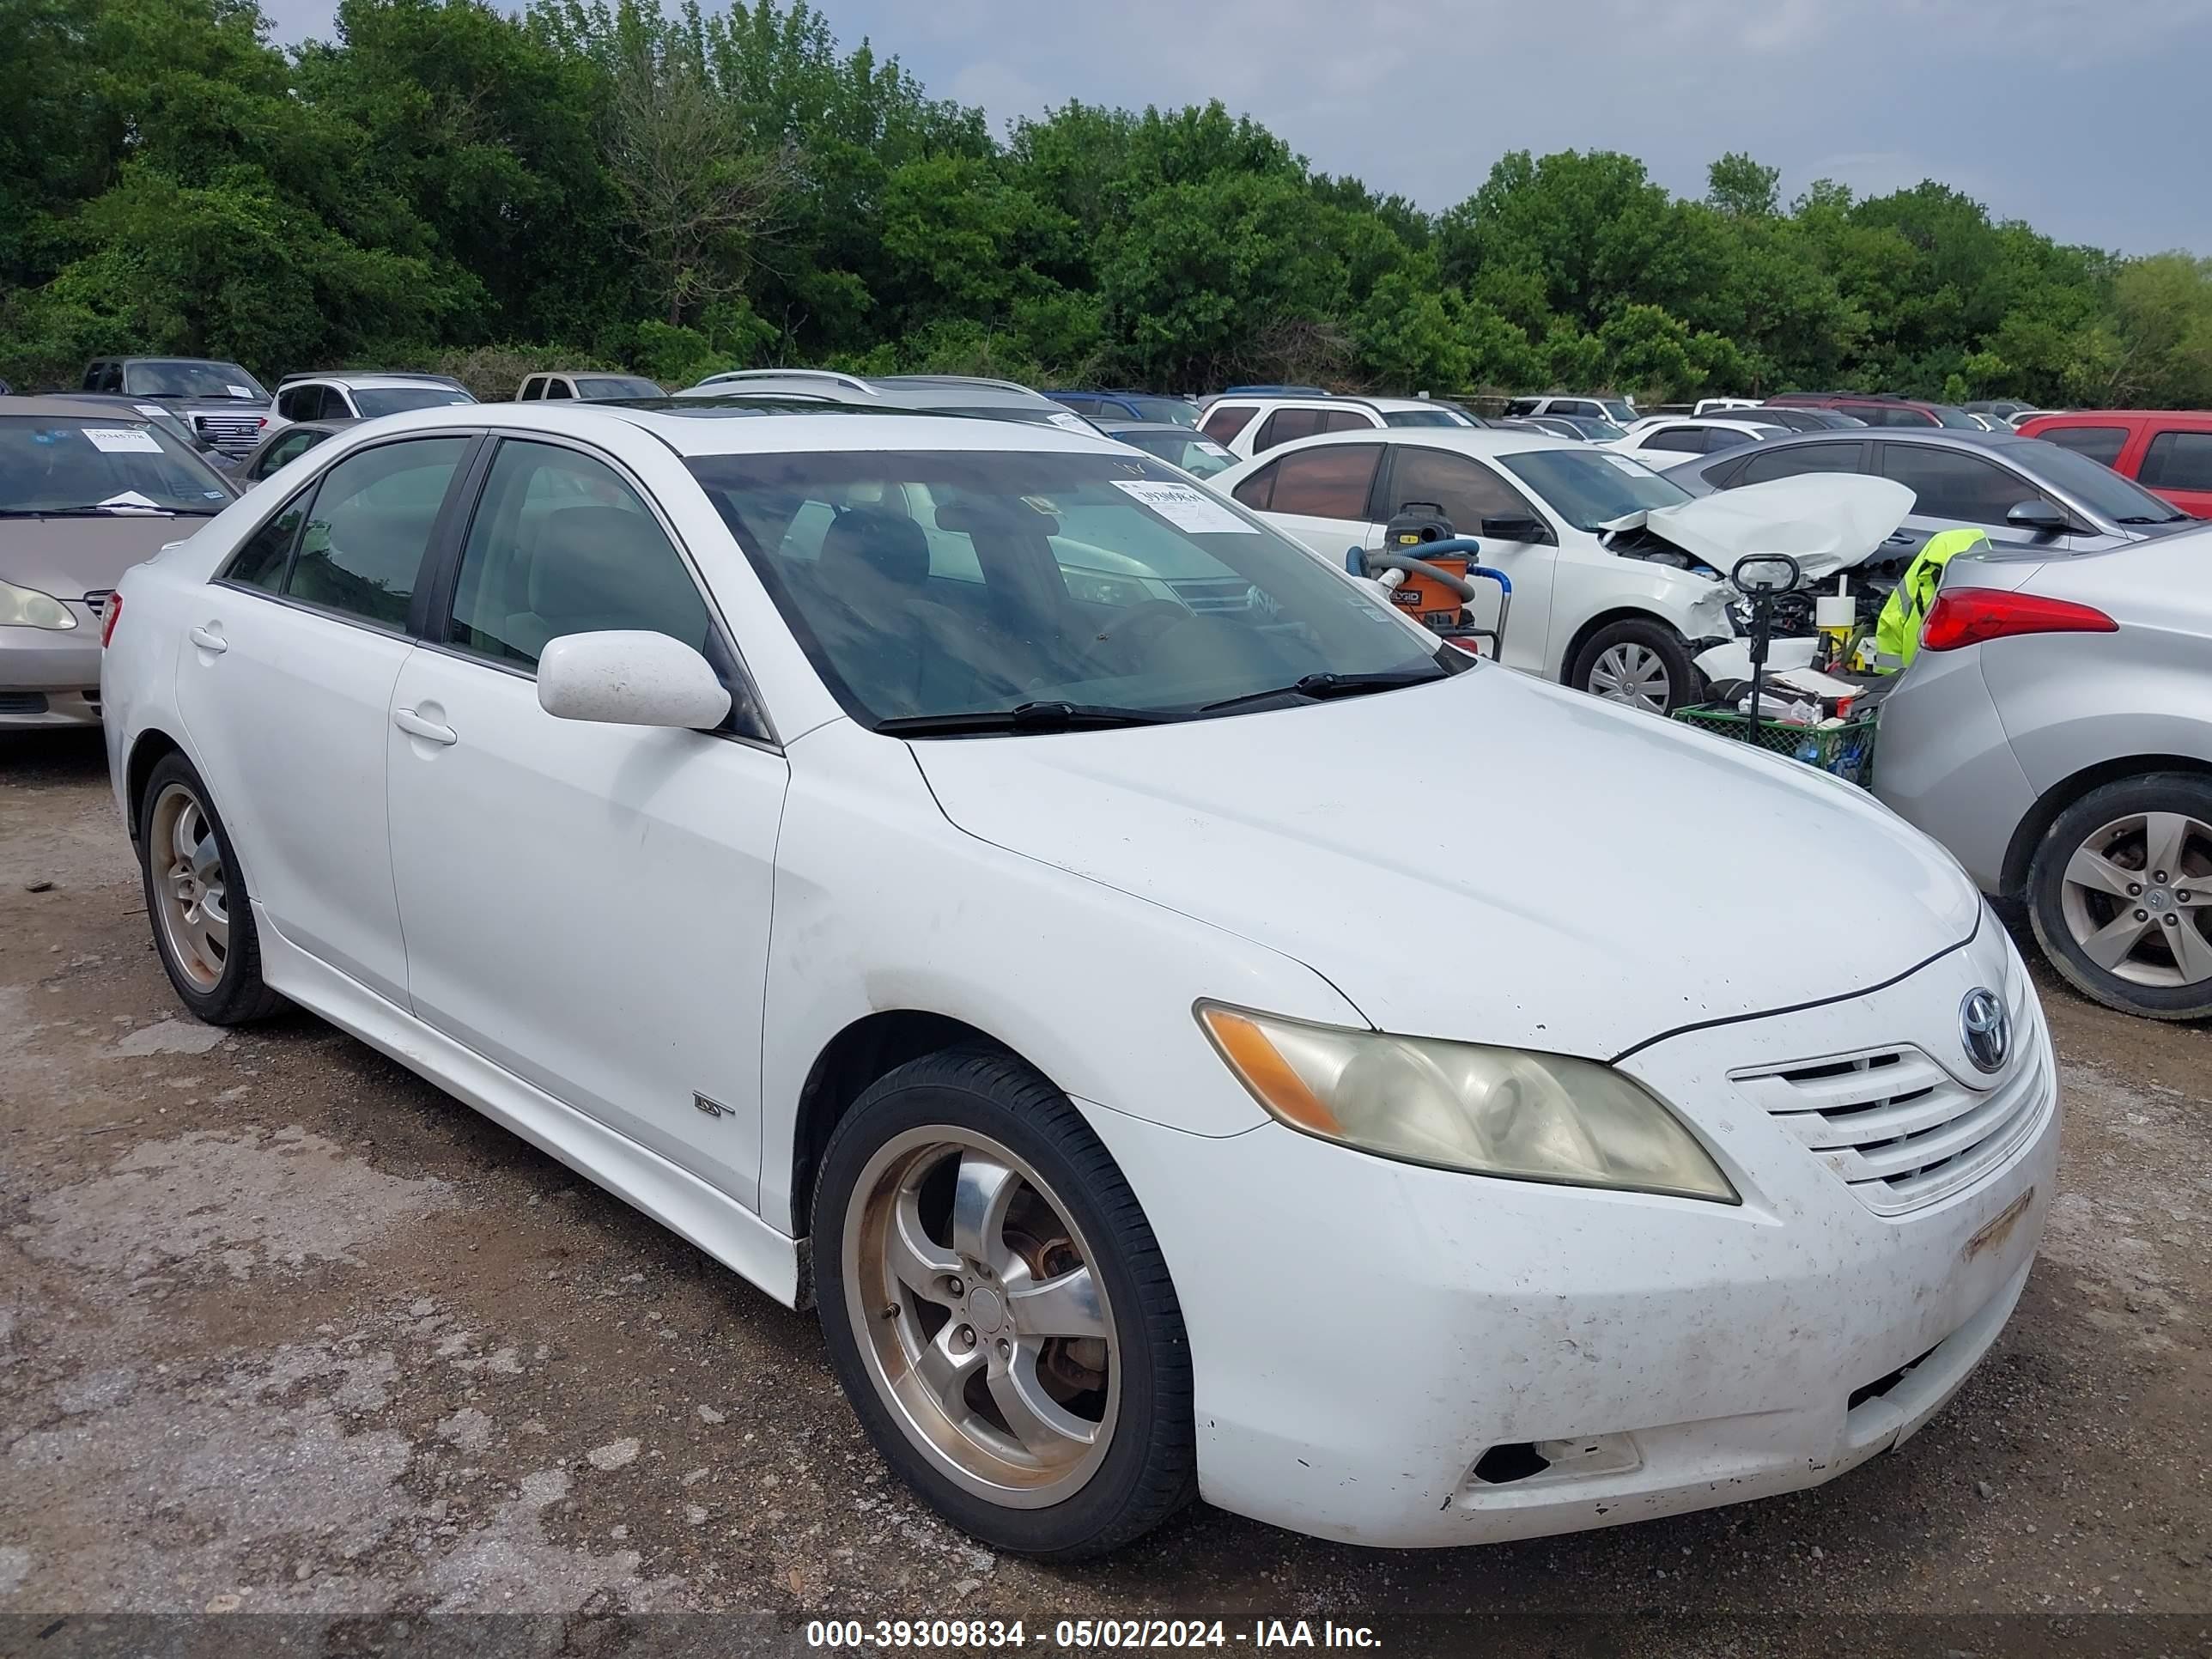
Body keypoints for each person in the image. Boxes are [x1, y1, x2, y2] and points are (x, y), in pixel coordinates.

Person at [1873, 526, 1991, 672]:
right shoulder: (1994, 596)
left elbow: (1890, 628)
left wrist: (1888, 683)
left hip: (1915, 682)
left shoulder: (1914, 593)